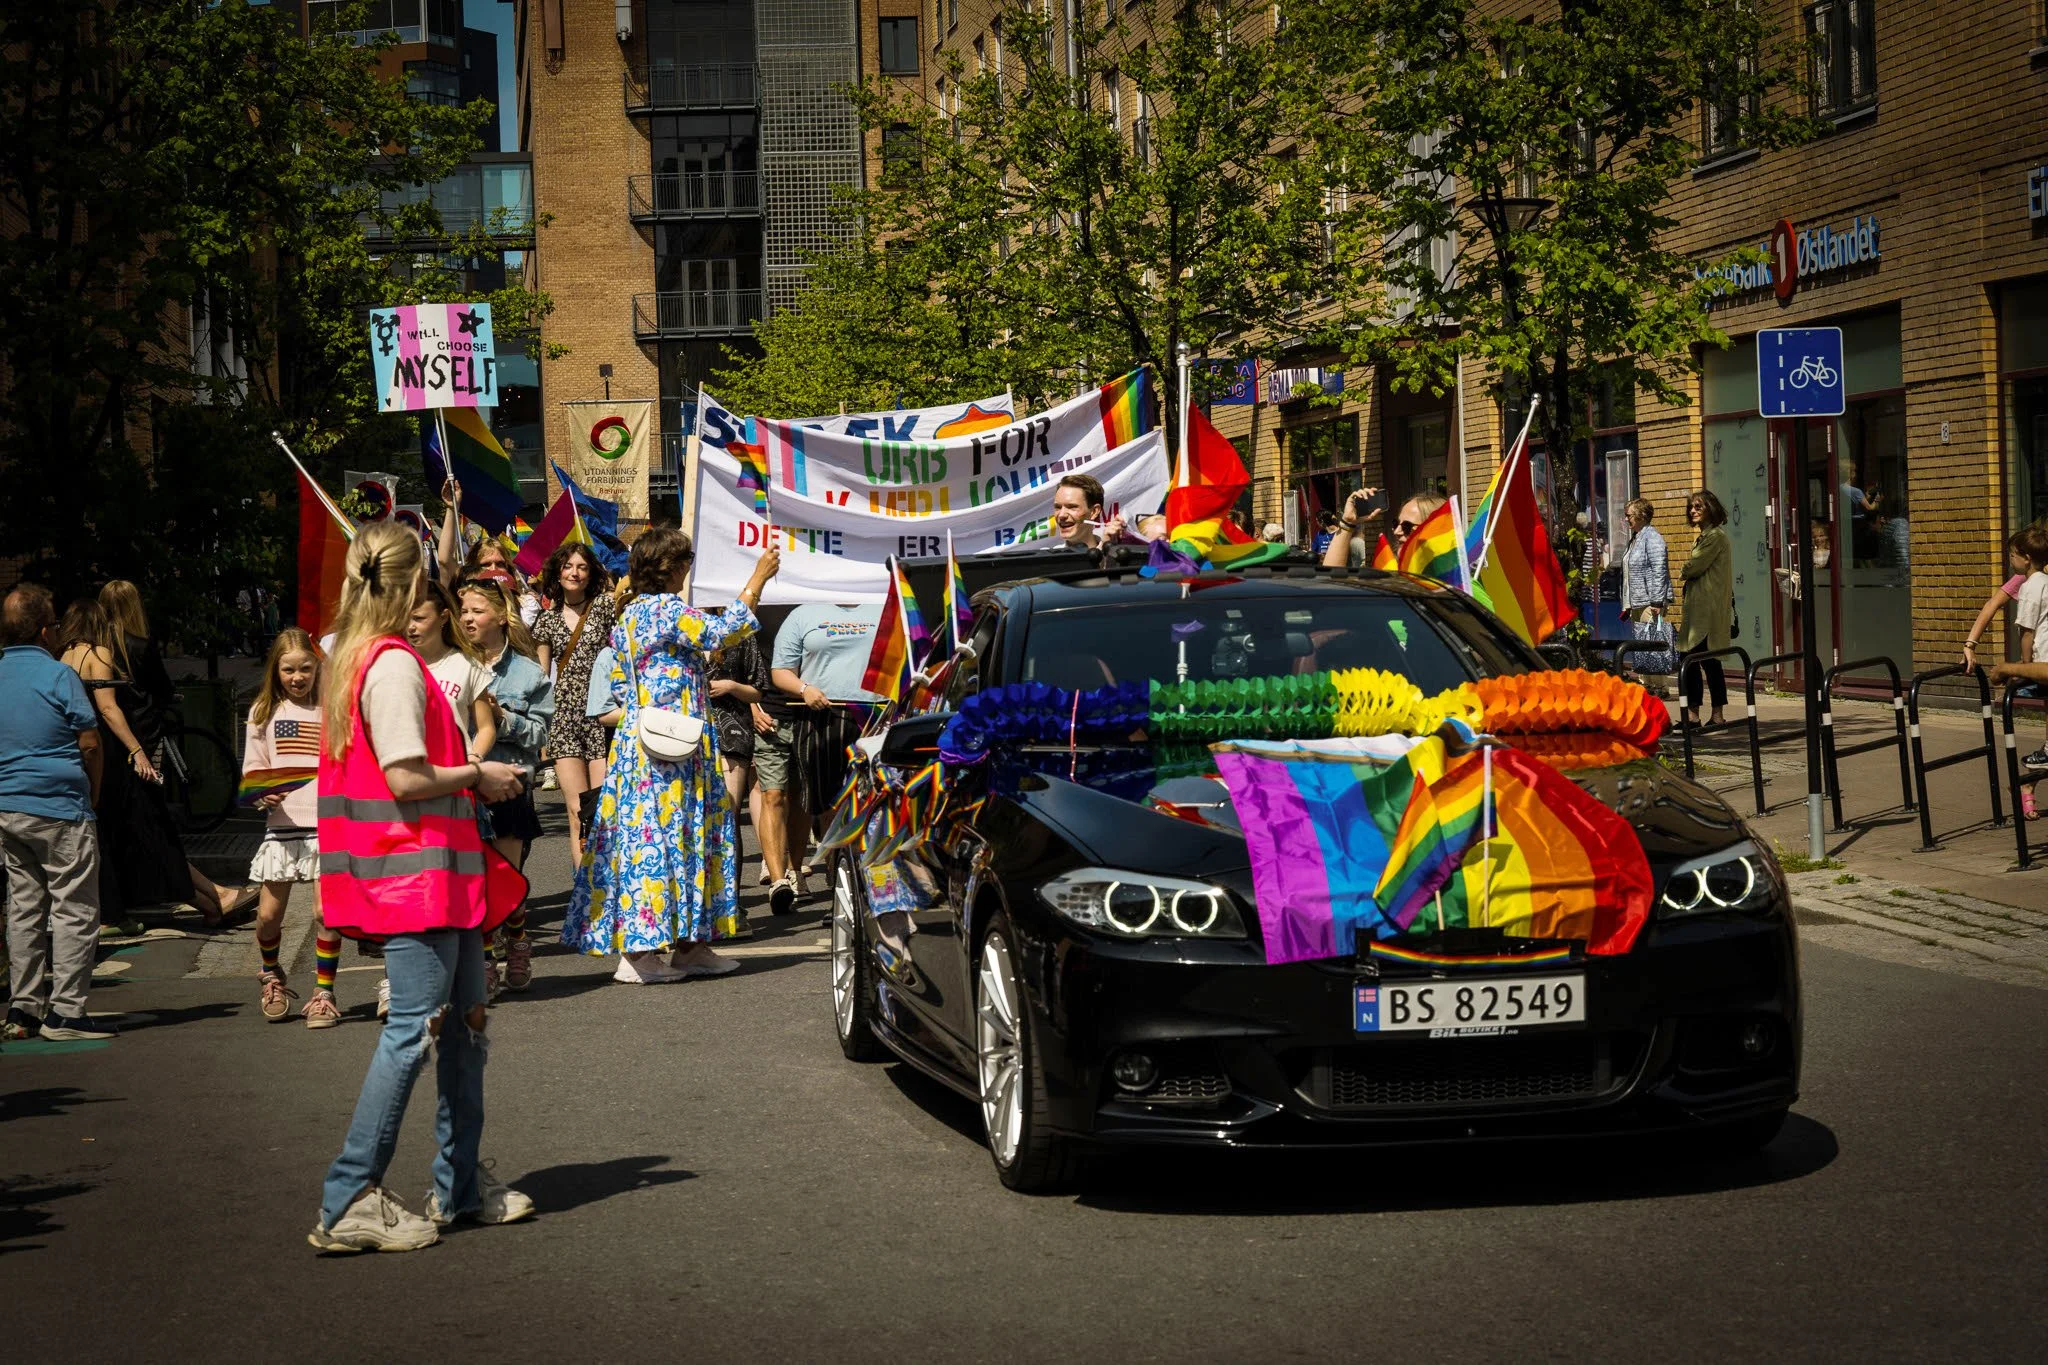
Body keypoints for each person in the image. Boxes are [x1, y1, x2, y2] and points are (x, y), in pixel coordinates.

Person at [308, 521, 532, 1254]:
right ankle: (349, 1197)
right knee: (413, 1033)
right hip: (416, 877)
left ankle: (459, 1186)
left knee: (465, 1026)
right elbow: (406, 778)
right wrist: (481, 774)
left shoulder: (359, 659)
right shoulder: (392, 665)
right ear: (413, 582)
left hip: (436, 875)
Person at [560, 529, 779, 984]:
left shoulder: (633, 614)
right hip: (667, 753)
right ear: (670, 568)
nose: (687, 570)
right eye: (683, 562)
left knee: (678, 836)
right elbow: (723, 630)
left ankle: (689, 945)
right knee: (660, 841)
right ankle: (640, 953)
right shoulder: (664, 610)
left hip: (654, 746)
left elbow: (622, 682)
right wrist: (757, 579)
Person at [62, 592, 253, 927]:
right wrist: (137, 751)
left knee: (117, 834)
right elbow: (109, 708)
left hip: (77, 753)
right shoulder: (100, 653)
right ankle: (211, 900)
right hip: (112, 750)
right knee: (149, 830)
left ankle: (209, 898)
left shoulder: (61, 658)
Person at [1, 584, 114, 1044]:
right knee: (74, 906)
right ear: (46, 631)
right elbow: (90, 742)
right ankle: (66, 1013)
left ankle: (23, 1008)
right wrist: (93, 792)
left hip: (8, 807)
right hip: (59, 804)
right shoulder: (58, 675)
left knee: (23, 906)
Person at [241, 628, 351, 1029]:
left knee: (327, 912)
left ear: (317, 668)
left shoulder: (331, 709)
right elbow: (253, 769)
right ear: (276, 669)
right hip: (282, 826)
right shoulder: (262, 712)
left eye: (305, 668)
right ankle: (271, 975)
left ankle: (324, 993)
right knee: (269, 917)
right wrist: (259, 794)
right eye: (288, 669)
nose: (297, 677)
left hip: (327, 822)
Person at [457, 577, 552, 996]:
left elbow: (539, 735)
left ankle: (516, 943)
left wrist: (502, 719)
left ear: (500, 616)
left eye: (477, 611)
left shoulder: (528, 673)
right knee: (474, 882)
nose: (468, 618)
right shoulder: (454, 666)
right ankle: (485, 959)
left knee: (505, 880)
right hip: (464, 787)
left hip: (510, 786)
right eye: (463, 611)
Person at [761, 597, 885, 915]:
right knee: (832, 805)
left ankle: (870, 885)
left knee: (870, 804)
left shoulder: (884, 606)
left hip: (877, 718)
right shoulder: (803, 613)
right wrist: (805, 689)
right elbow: (780, 672)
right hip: (823, 718)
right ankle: (840, 886)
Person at [530, 543, 618, 865]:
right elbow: (542, 675)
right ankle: (583, 886)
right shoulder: (546, 619)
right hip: (565, 718)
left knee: (604, 807)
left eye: (581, 566)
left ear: (591, 573)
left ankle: (608, 885)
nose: (574, 572)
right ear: (558, 572)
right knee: (576, 809)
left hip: (602, 714)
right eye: (568, 566)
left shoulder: (606, 609)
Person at [707, 626, 770, 907]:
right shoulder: (675, 627)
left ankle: (729, 904)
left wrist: (731, 686)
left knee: (727, 815)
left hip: (732, 734)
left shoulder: (739, 634)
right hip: (683, 736)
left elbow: (759, 690)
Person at [1678, 489, 1734, 728]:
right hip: (1700, 610)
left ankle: (1697, 716)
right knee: (1707, 662)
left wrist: (1685, 569)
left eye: (1698, 507)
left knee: (1692, 660)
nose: (1693, 511)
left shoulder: (1715, 537)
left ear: (1710, 508)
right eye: (1691, 507)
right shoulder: (1704, 536)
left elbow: (1694, 567)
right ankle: (1713, 715)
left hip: (1707, 612)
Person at [1961, 527, 2048, 671]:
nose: (2010, 561)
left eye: (2012, 556)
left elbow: (2027, 631)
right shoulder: (2032, 577)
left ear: (2027, 558)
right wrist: (1970, 644)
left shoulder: (2030, 583)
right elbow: (1992, 604)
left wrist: (2025, 669)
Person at [1321, 488, 1445, 570]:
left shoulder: (1454, 583)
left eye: (1407, 526)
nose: (1396, 532)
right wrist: (1348, 522)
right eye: (1396, 524)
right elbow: (1330, 581)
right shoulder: (1390, 571)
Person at [1051, 473, 1125, 550]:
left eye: (1072, 507)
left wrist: (1107, 550)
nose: (1061, 515)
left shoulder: (1116, 555)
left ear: (1094, 511)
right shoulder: (1046, 560)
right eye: (1058, 507)